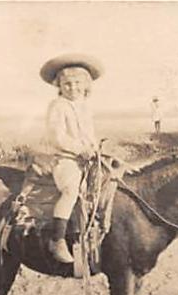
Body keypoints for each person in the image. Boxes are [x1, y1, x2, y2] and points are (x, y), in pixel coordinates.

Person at [38, 53, 104, 263]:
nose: (72, 88)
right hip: (66, 159)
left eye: (77, 83)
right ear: (60, 86)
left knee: (105, 184)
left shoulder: (85, 105)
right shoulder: (58, 105)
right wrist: (79, 150)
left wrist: (94, 148)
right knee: (71, 190)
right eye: (67, 84)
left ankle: (93, 231)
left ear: (85, 85)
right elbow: (57, 137)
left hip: (86, 158)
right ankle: (57, 239)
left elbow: (89, 133)